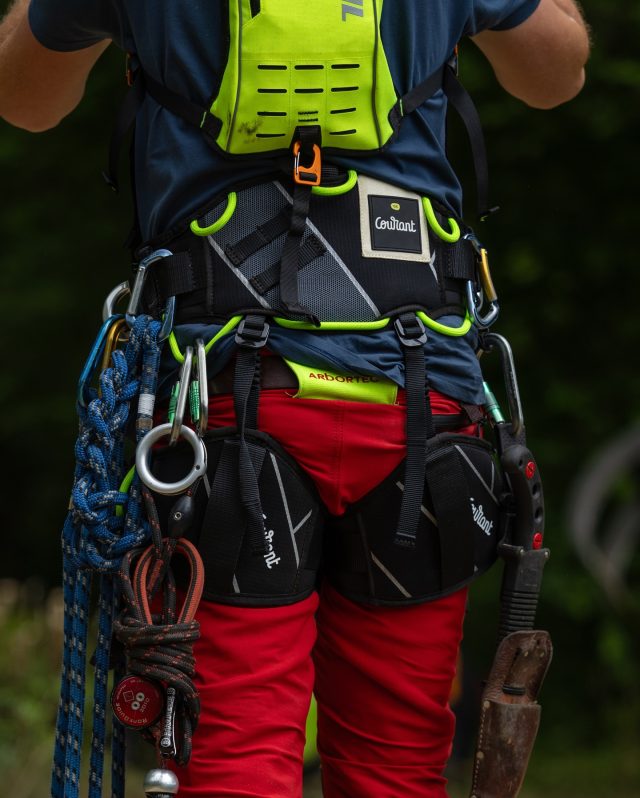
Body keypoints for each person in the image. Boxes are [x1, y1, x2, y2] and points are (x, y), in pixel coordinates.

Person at [0, 1, 589, 797]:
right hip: (416, 404)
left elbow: (25, 98)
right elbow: (556, 74)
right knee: (397, 767)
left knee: (235, 758)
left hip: (225, 399)